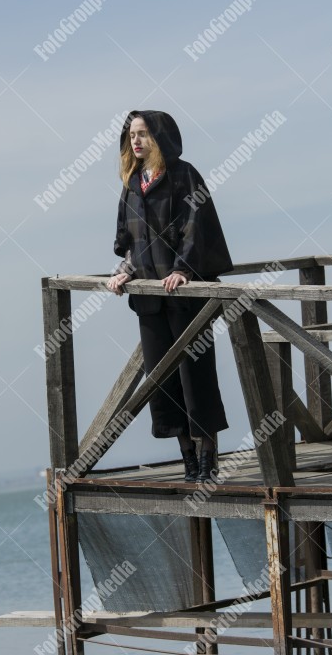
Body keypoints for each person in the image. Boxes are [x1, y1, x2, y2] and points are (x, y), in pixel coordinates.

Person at [107, 110, 233, 483]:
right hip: (149, 299)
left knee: (196, 377)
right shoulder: (132, 181)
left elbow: (195, 228)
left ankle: (208, 456)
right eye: (132, 135)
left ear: (160, 137)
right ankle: (187, 458)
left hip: (184, 294)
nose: (136, 141)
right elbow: (130, 239)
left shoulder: (184, 174)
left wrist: (183, 269)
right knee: (162, 380)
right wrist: (123, 272)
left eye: (143, 134)